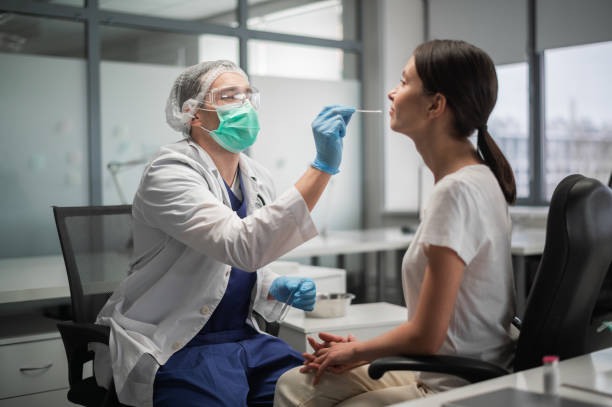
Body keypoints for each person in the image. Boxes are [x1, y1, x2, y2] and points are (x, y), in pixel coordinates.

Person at [91, 60, 355, 407]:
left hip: (246, 339)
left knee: (327, 392)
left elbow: (233, 263)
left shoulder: (257, 177)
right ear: (193, 114)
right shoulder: (169, 172)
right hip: (178, 345)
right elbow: (241, 245)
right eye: (229, 97)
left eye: (248, 95)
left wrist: (270, 285)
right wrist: (321, 168)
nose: (244, 105)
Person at [274, 39, 517, 407]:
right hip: (452, 365)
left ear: (436, 105)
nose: (391, 92)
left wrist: (358, 352)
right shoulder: (476, 178)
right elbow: (441, 328)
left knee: (306, 390)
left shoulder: (456, 191)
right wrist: (363, 348)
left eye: (404, 82)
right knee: (297, 384)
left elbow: (427, 336)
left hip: (456, 384)